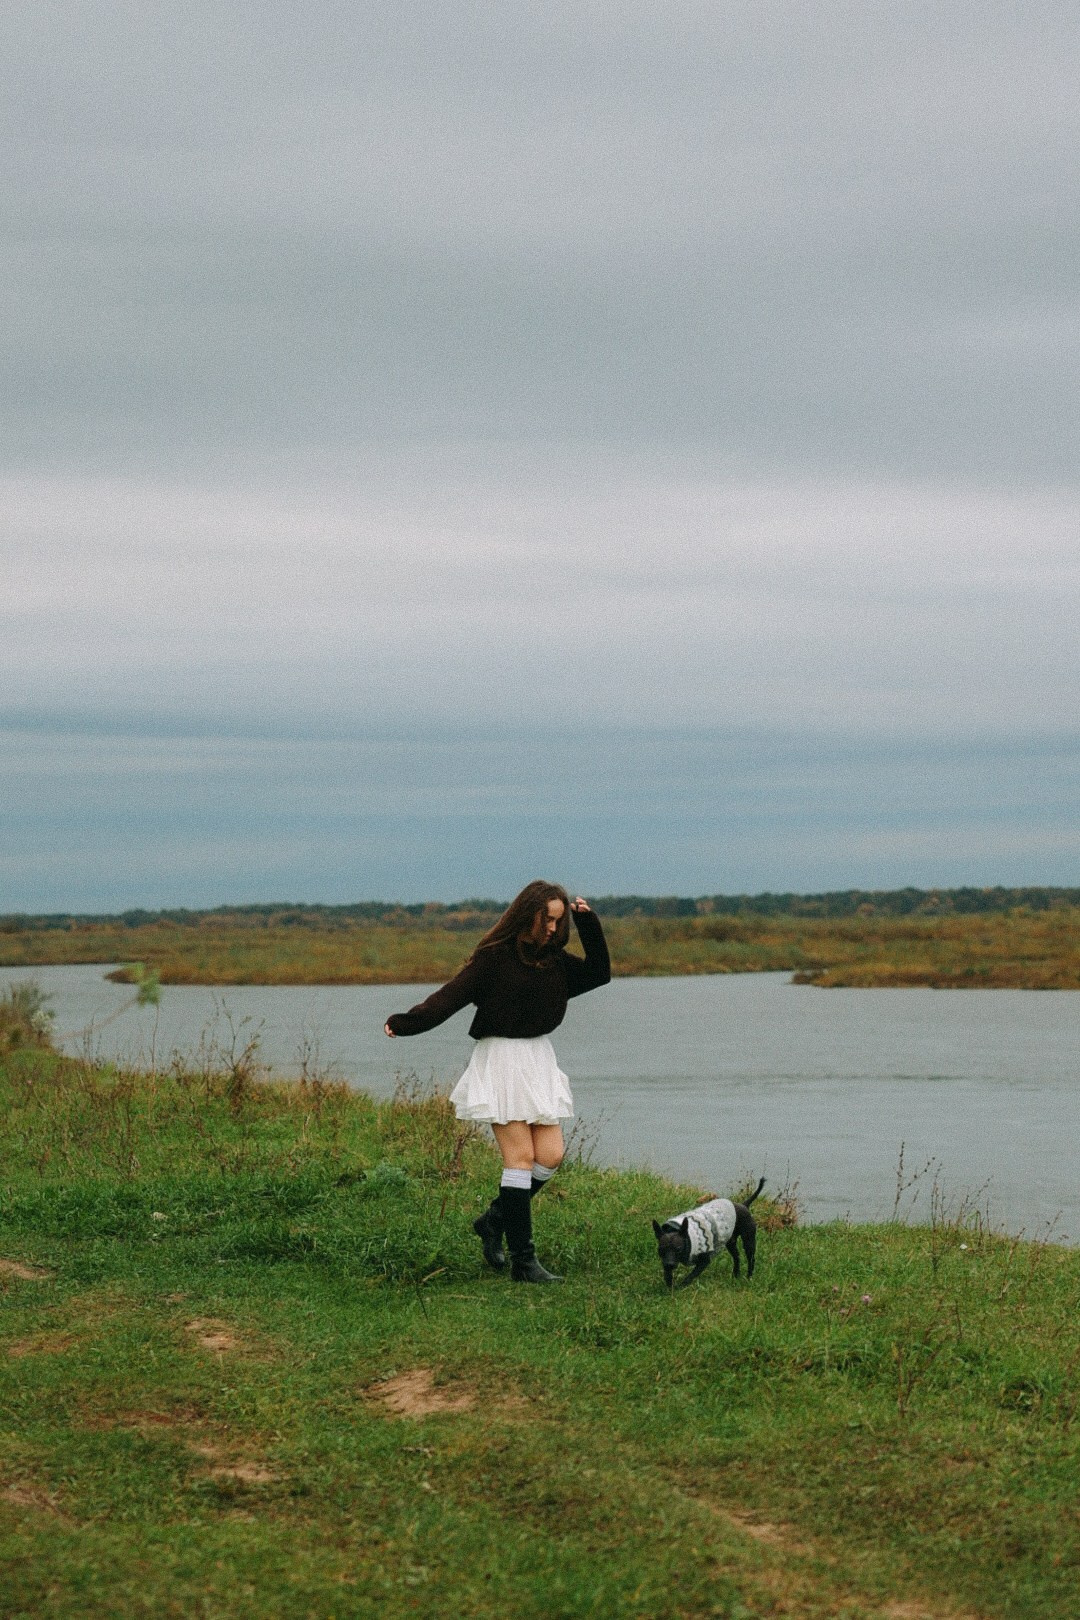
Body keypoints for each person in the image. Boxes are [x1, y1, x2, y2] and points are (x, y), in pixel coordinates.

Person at [384, 881, 611, 1283]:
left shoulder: (554, 961)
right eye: (547, 920)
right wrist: (404, 1023)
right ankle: (525, 1263)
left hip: (538, 1058)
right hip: (502, 1059)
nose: (552, 930)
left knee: (551, 1156)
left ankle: (494, 1221)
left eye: (559, 922)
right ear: (528, 915)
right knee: (520, 1159)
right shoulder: (494, 958)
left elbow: (599, 973)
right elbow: (449, 998)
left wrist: (588, 922)